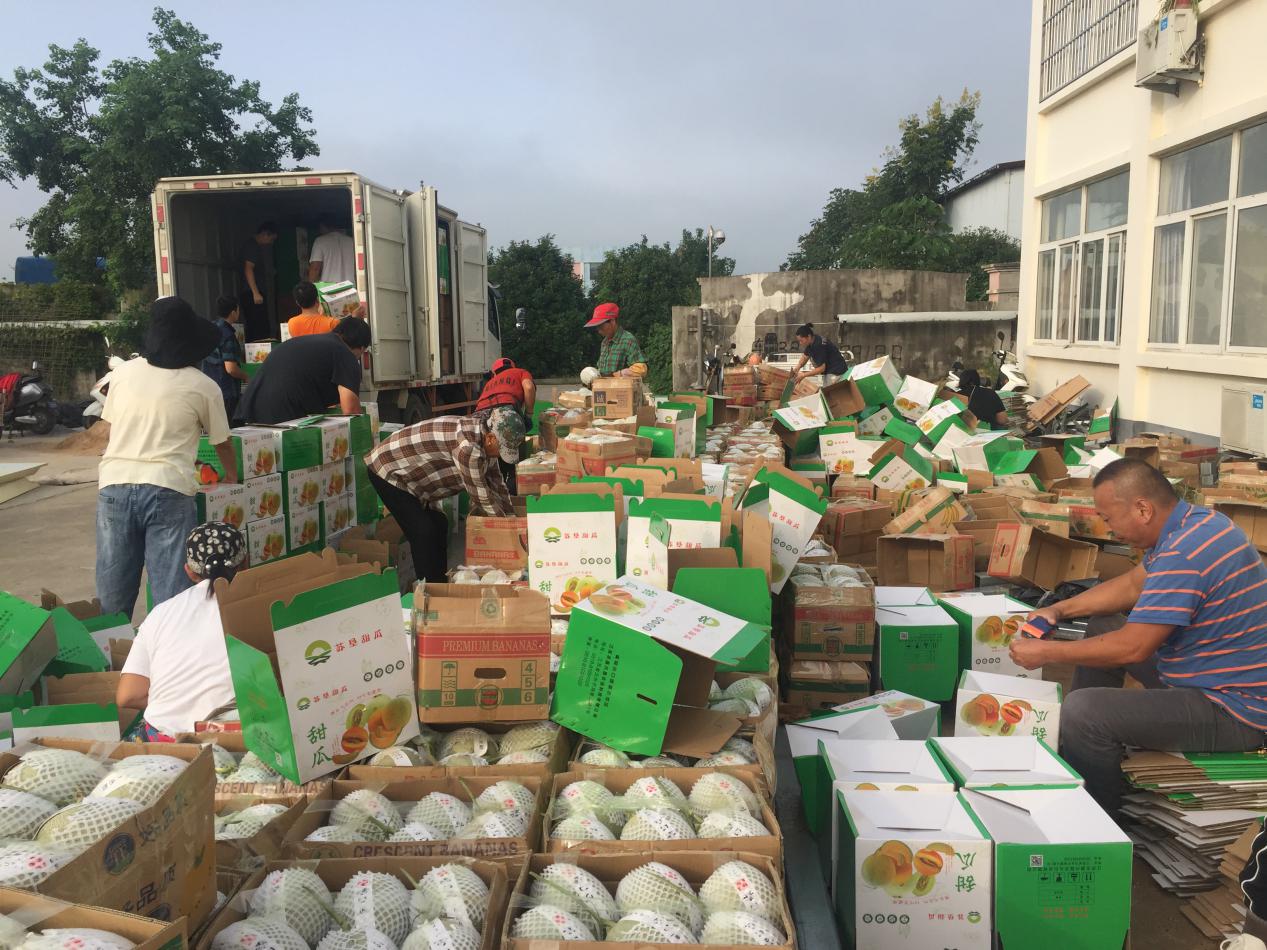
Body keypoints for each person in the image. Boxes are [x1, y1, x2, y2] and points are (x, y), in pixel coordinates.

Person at [1009, 459, 1267, 816]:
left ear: (1143, 509)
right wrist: (1058, 610)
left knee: (1084, 713)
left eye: (1109, 518)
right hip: (1206, 673)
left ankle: (1099, 820)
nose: (1108, 529)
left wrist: (1046, 652)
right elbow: (1132, 585)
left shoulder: (1184, 554)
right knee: (1103, 626)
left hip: (1233, 709)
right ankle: (1087, 754)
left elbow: (1133, 648)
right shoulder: (1199, 524)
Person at [97, 297, 237, 618]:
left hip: (114, 485)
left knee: (113, 587)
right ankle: (168, 647)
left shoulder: (123, 373)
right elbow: (222, 442)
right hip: (168, 489)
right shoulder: (203, 386)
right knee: (172, 593)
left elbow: (113, 429)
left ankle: (109, 647)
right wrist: (231, 476)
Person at [116, 522, 244, 741]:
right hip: (228, 737)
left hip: (163, 739)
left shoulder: (159, 614)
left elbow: (128, 696)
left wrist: (176, 707)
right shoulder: (259, 606)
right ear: (246, 564)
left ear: (189, 571)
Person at [365, 408, 524, 583]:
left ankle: (440, 583)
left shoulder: (485, 437)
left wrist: (512, 518)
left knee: (439, 522)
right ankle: (428, 589)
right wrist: (506, 530)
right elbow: (482, 497)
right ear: (491, 438)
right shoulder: (468, 447)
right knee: (423, 532)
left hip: (413, 479)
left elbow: (497, 483)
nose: (500, 455)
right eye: (502, 449)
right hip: (387, 470)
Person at [235, 317, 369, 425]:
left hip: (249, 410)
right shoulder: (345, 354)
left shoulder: (309, 342)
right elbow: (351, 410)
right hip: (282, 418)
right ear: (362, 348)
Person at [201, 295, 248, 422]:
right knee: (228, 427)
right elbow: (231, 368)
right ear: (233, 312)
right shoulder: (227, 335)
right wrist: (246, 376)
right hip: (226, 391)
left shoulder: (210, 330)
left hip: (209, 388)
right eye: (238, 310)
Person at [241, 221, 279, 341]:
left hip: (253, 292)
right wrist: (255, 292)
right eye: (271, 239)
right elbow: (248, 268)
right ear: (265, 234)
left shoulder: (255, 246)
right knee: (258, 326)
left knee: (258, 325)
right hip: (252, 293)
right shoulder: (251, 246)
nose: (271, 243)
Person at [587, 303, 647, 378]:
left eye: (601, 326)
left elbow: (641, 369)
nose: (599, 330)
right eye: (597, 327)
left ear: (612, 321)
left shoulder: (628, 340)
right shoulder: (604, 342)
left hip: (621, 385)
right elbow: (602, 369)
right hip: (604, 385)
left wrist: (618, 374)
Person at [307, 215, 356, 285]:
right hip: (350, 287)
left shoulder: (320, 241)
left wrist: (310, 288)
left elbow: (315, 268)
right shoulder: (351, 241)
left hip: (329, 288)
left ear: (323, 226)